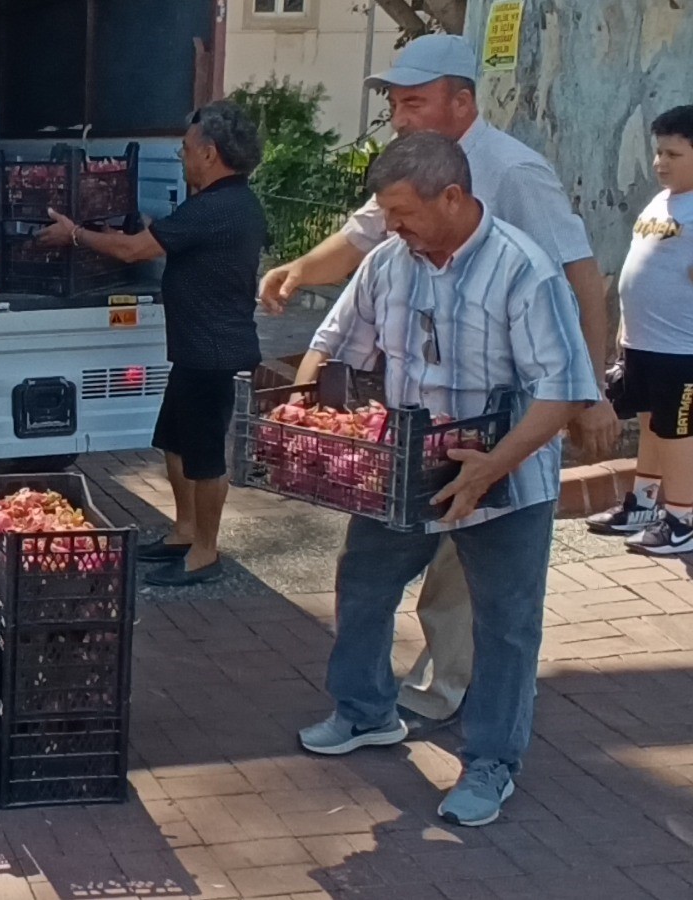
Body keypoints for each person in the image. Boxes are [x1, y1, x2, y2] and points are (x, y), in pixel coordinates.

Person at [266, 34, 617, 735]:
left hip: (504, 441)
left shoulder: (517, 188)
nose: (400, 115)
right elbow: (352, 285)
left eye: (414, 101)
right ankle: (370, 711)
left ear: (462, 102)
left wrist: (590, 390)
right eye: (395, 102)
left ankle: (482, 738)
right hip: (408, 445)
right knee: (369, 581)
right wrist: (302, 280)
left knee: (492, 606)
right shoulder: (401, 220)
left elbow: (580, 281)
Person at [296, 133, 598, 827]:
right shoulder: (389, 263)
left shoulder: (523, 270)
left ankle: (491, 763)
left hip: (506, 477)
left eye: (403, 212)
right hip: (401, 467)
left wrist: (494, 465)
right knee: (364, 582)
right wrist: (302, 421)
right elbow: (334, 345)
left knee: (506, 626)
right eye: (387, 213)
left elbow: (563, 391)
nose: (393, 226)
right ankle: (366, 710)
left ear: (453, 198)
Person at [35, 101, 266, 586]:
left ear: (210, 153)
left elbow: (134, 250)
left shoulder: (218, 207)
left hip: (213, 353)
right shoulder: (225, 203)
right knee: (173, 442)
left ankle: (205, 552)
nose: (181, 158)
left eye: (186, 150)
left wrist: (76, 235)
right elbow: (160, 238)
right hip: (194, 349)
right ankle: (184, 531)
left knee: (205, 457)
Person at [601, 105, 693, 555]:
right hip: (642, 344)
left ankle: (683, 520)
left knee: (679, 432)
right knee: (653, 427)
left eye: (673, 154)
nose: (660, 163)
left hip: (682, 350)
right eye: (658, 152)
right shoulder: (662, 199)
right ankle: (643, 504)